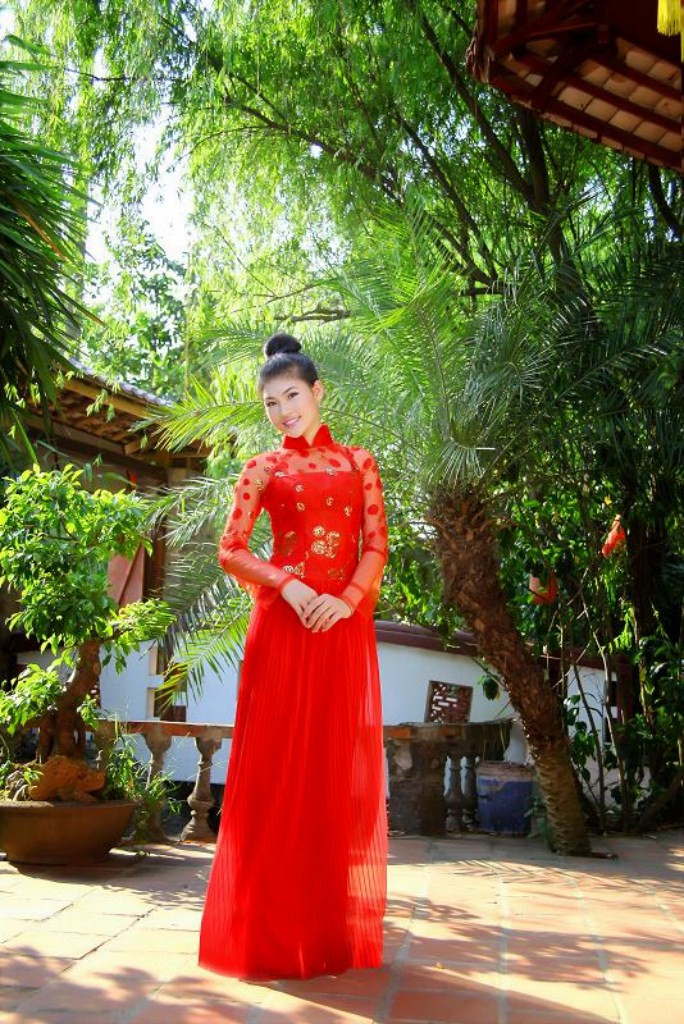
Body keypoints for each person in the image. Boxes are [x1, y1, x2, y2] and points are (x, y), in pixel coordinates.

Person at [198, 332, 389, 981]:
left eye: (292, 396)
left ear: (317, 392)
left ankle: (322, 932)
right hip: (282, 629)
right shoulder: (261, 468)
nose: (283, 411)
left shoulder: (359, 462)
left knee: (329, 776)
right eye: (271, 403)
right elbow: (231, 549)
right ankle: (267, 933)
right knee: (275, 773)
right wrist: (288, 584)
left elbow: (375, 545)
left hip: (340, 632)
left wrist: (347, 600)